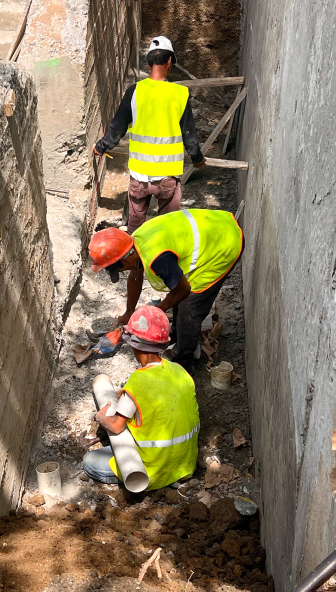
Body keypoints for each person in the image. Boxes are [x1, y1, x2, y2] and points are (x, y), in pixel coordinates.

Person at [88, 209, 243, 370]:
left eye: (119, 269)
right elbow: (135, 275)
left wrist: (153, 313)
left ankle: (183, 365)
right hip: (216, 224)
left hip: (224, 243)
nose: (122, 272)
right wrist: (129, 312)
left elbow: (182, 290)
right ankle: (175, 337)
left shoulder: (157, 259)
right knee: (178, 301)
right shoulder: (134, 243)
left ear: (126, 258)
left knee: (189, 308)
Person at [92, 36, 206, 233]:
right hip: (167, 177)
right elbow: (189, 133)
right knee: (167, 228)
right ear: (170, 61)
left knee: (135, 229)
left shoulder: (134, 92)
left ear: (148, 63)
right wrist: (197, 158)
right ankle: (161, 261)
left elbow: (118, 126)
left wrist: (101, 147)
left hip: (139, 177)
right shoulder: (179, 93)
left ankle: (136, 261)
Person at [82, 306, 200, 490]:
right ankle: (174, 479)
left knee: (90, 461)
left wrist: (101, 418)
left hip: (152, 470)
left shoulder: (138, 382)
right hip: (184, 466)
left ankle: (157, 482)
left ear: (135, 346)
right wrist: (126, 395)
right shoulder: (179, 371)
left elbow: (116, 426)